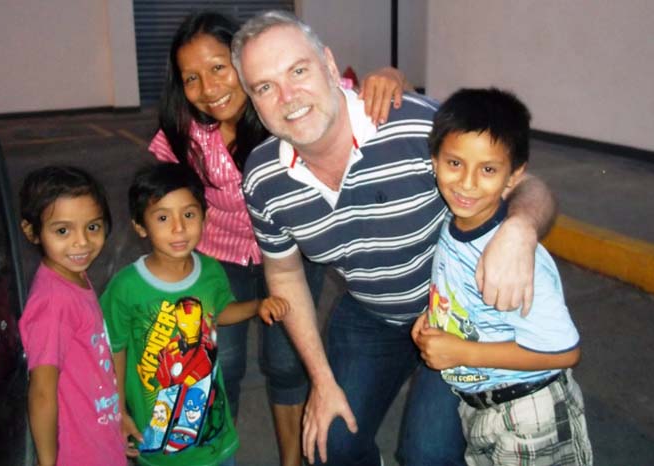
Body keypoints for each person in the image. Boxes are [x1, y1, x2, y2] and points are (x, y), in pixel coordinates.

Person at [232, 10, 557, 466]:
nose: (288, 97)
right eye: (265, 87)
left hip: (458, 316)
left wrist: (520, 229)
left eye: (298, 71)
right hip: (371, 312)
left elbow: (527, 185)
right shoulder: (263, 177)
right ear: (253, 100)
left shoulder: (416, 126)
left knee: (428, 454)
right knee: (331, 443)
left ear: (329, 64)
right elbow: (284, 273)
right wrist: (321, 382)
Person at [147, 10, 408, 466]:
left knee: (287, 361)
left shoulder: (283, 107)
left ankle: (291, 459)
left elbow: (349, 91)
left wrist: (391, 75)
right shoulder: (184, 134)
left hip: (293, 253)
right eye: (191, 78)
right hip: (221, 259)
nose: (208, 88)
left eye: (218, 68)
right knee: (221, 361)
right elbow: (163, 199)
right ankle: (214, 455)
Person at [412, 88, 592, 465]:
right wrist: (435, 319)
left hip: (531, 416)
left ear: (513, 177)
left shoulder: (514, 259)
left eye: (488, 170)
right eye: (455, 163)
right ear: (434, 161)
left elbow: (565, 351)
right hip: (480, 408)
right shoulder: (453, 225)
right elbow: (463, 296)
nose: (467, 183)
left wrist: (463, 352)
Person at [100, 163, 291, 466]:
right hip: (158, 446)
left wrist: (257, 306)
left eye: (188, 214)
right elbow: (115, 349)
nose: (179, 228)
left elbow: (219, 312)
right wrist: (119, 412)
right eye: (163, 218)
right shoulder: (126, 287)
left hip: (215, 439)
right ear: (140, 226)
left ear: (205, 216)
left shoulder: (210, 271)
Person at [17, 166, 130, 466]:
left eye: (92, 227)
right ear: (31, 231)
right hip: (80, 452)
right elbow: (42, 392)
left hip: (100, 436)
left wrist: (118, 418)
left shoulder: (73, 276)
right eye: (62, 231)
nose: (82, 242)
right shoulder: (53, 302)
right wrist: (47, 462)